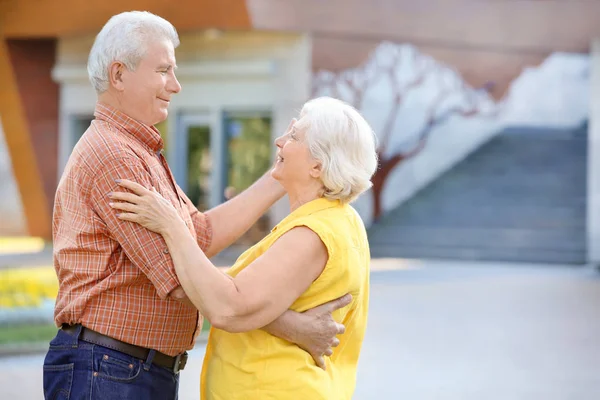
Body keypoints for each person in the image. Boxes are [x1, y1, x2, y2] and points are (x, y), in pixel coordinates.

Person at [43, 11, 349, 400]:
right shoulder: (113, 157)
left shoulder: (139, 151)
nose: (176, 85)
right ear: (118, 75)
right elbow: (182, 279)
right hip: (108, 369)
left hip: (125, 370)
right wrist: (292, 326)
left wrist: (283, 173)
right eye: (163, 70)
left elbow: (200, 236)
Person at [109, 96, 378, 399]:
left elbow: (229, 307)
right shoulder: (339, 219)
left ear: (317, 165)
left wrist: (171, 225)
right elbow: (253, 303)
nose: (279, 141)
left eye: (293, 136)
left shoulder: (312, 233)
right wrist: (293, 326)